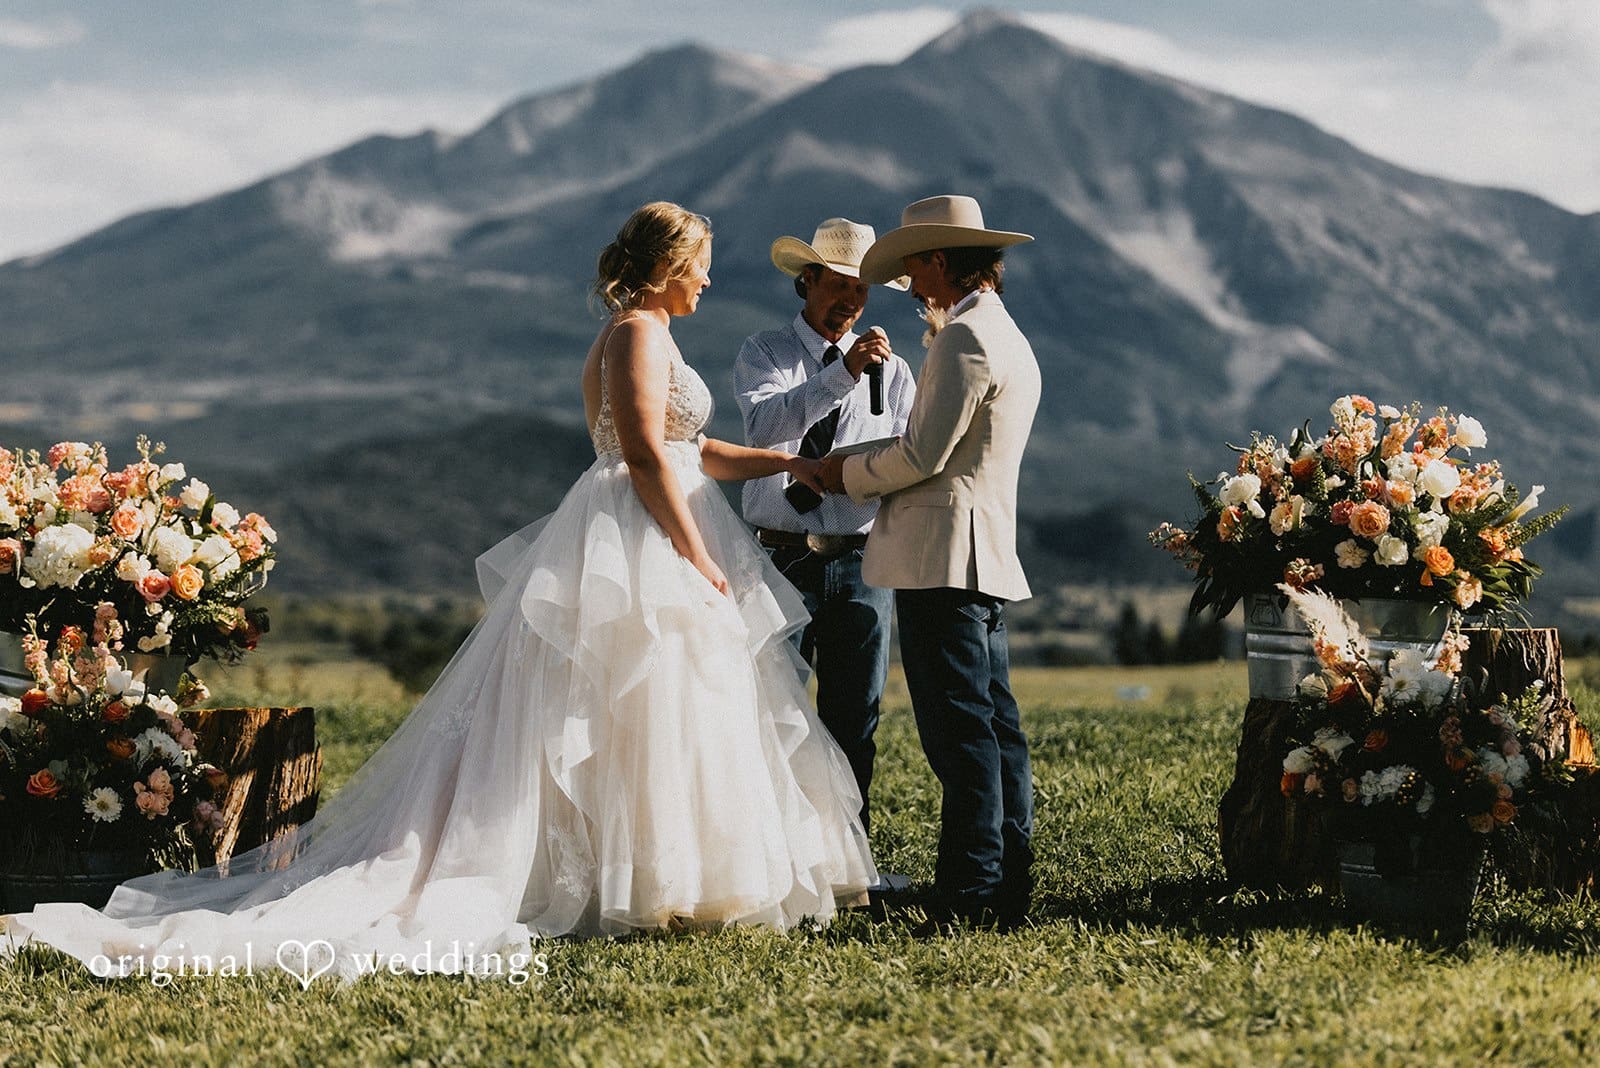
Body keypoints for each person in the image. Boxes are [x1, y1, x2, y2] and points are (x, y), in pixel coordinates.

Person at [1, 201, 877, 979]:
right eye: (702, 263)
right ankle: (639, 874)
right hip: (640, 532)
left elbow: (694, 452)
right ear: (670, 266)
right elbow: (645, 455)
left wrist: (794, 462)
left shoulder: (652, 333)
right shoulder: (639, 334)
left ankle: (665, 871)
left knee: (654, 705)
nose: (711, 279)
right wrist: (698, 555)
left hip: (655, 516)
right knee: (629, 697)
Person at [818, 195, 1040, 929]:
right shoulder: (1006, 335)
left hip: (943, 559)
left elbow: (922, 456)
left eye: (913, 266)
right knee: (993, 724)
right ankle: (1006, 877)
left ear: (940, 259)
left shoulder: (964, 339)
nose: (910, 285)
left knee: (959, 732)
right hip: (979, 554)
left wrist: (838, 474)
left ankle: (970, 893)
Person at [733, 218, 915, 832]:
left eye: (861, 289)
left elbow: (911, 459)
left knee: (855, 718)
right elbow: (763, 431)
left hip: (863, 560)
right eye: (838, 284)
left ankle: (846, 856)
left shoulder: (895, 371)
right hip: (779, 555)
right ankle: (768, 849)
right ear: (806, 281)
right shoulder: (765, 353)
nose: (850, 300)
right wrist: (841, 376)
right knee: (770, 711)